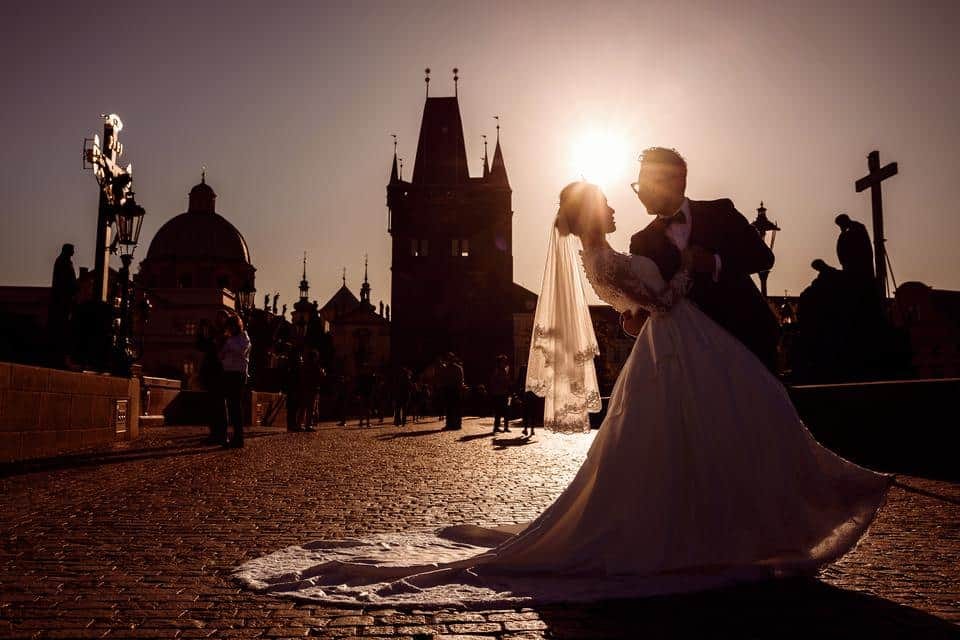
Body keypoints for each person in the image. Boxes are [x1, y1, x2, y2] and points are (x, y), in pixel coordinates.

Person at [235, 182, 891, 607]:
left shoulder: (600, 256)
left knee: (676, 448)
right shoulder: (608, 253)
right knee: (707, 438)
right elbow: (657, 298)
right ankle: (733, 526)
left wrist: (656, 300)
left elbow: (633, 311)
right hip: (677, 352)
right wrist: (685, 279)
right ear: (593, 214)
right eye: (608, 200)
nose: (619, 203)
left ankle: (705, 529)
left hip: (672, 355)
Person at [626, 148, 779, 371]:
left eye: (647, 184)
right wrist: (633, 317)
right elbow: (651, 305)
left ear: (677, 180)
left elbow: (763, 258)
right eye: (638, 186)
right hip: (690, 358)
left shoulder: (720, 212)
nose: (641, 194)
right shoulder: (641, 242)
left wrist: (715, 262)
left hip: (748, 341)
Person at [219, 314, 250, 448]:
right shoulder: (230, 339)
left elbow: (241, 351)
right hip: (228, 373)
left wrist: (228, 345)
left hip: (238, 374)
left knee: (236, 406)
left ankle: (238, 438)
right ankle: (234, 436)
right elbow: (221, 355)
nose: (229, 329)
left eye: (230, 326)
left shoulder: (244, 337)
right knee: (231, 406)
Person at [48, 243, 78, 368]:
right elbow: (65, 281)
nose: (74, 252)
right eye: (72, 250)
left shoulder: (63, 261)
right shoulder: (63, 262)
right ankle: (61, 358)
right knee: (63, 328)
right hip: (63, 300)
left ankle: (62, 357)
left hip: (64, 299)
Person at [835, 213, 874, 283]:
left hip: (859, 264)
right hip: (851, 264)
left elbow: (855, 245)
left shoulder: (856, 228)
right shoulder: (847, 232)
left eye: (840, 225)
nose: (840, 227)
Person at [489, 355, 512, 433]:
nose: (505, 363)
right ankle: (496, 427)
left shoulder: (505, 371)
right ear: (499, 363)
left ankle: (506, 427)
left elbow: (507, 381)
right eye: (503, 362)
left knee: (506, 411)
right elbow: (493, 382)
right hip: (498, 394)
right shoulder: (497, 371)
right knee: (498, 411)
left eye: (505, 362)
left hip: (505, 393)